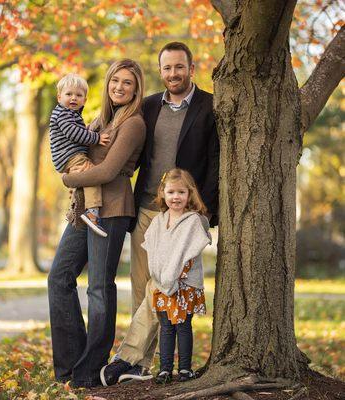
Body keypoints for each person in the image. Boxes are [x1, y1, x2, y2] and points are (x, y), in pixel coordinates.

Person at [100, 41, 219, 384]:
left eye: (179, 67)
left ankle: (129, 358)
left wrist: (204, 214)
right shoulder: (149, 106)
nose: (172, 74)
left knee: (164, 286)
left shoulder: (209, 106)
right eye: (166, 68)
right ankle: (143, 365)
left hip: (184, 218)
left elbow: (214, 162)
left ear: (191, 68)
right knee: (143, 289)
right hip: (148, 210)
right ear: (160, 71)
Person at [47, 59, 146, 388]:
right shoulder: (98, 120)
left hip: (113, 208)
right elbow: (71, 147)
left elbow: (106, 172)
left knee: (99, 287)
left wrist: (66, 179)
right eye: (114, 80)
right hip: (84, 208)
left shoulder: (133, 124)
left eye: (127, 82)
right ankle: (70, 366)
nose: (119, 86)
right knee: (59, 277)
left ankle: (90, 371)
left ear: (136, 89)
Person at [145, 169, 210, 383]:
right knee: (165, 327)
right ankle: (164, 369)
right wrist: (163, 277)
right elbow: (153, 249)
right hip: (162, 282)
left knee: (182, 326)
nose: (176, 197)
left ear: (190, 194)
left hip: (184, 284)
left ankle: (184, 369)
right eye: (171, 192)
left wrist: (176, 276)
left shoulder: (194, 221)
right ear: (162, 193)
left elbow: (191, 250)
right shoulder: (158, 221)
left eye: (181, 192)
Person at [49, 73, 111, 237]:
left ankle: (73, 209)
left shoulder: (70, 114)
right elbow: (74, 134)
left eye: (78, 95)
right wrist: (96, 138)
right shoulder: (63, 114)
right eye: (69, 94)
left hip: (69, 156)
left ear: (85, 100)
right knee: (91, 175)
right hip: (70, 155)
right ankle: (92, 212)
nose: (73, 98)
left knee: (81, 181)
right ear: (59, 97)